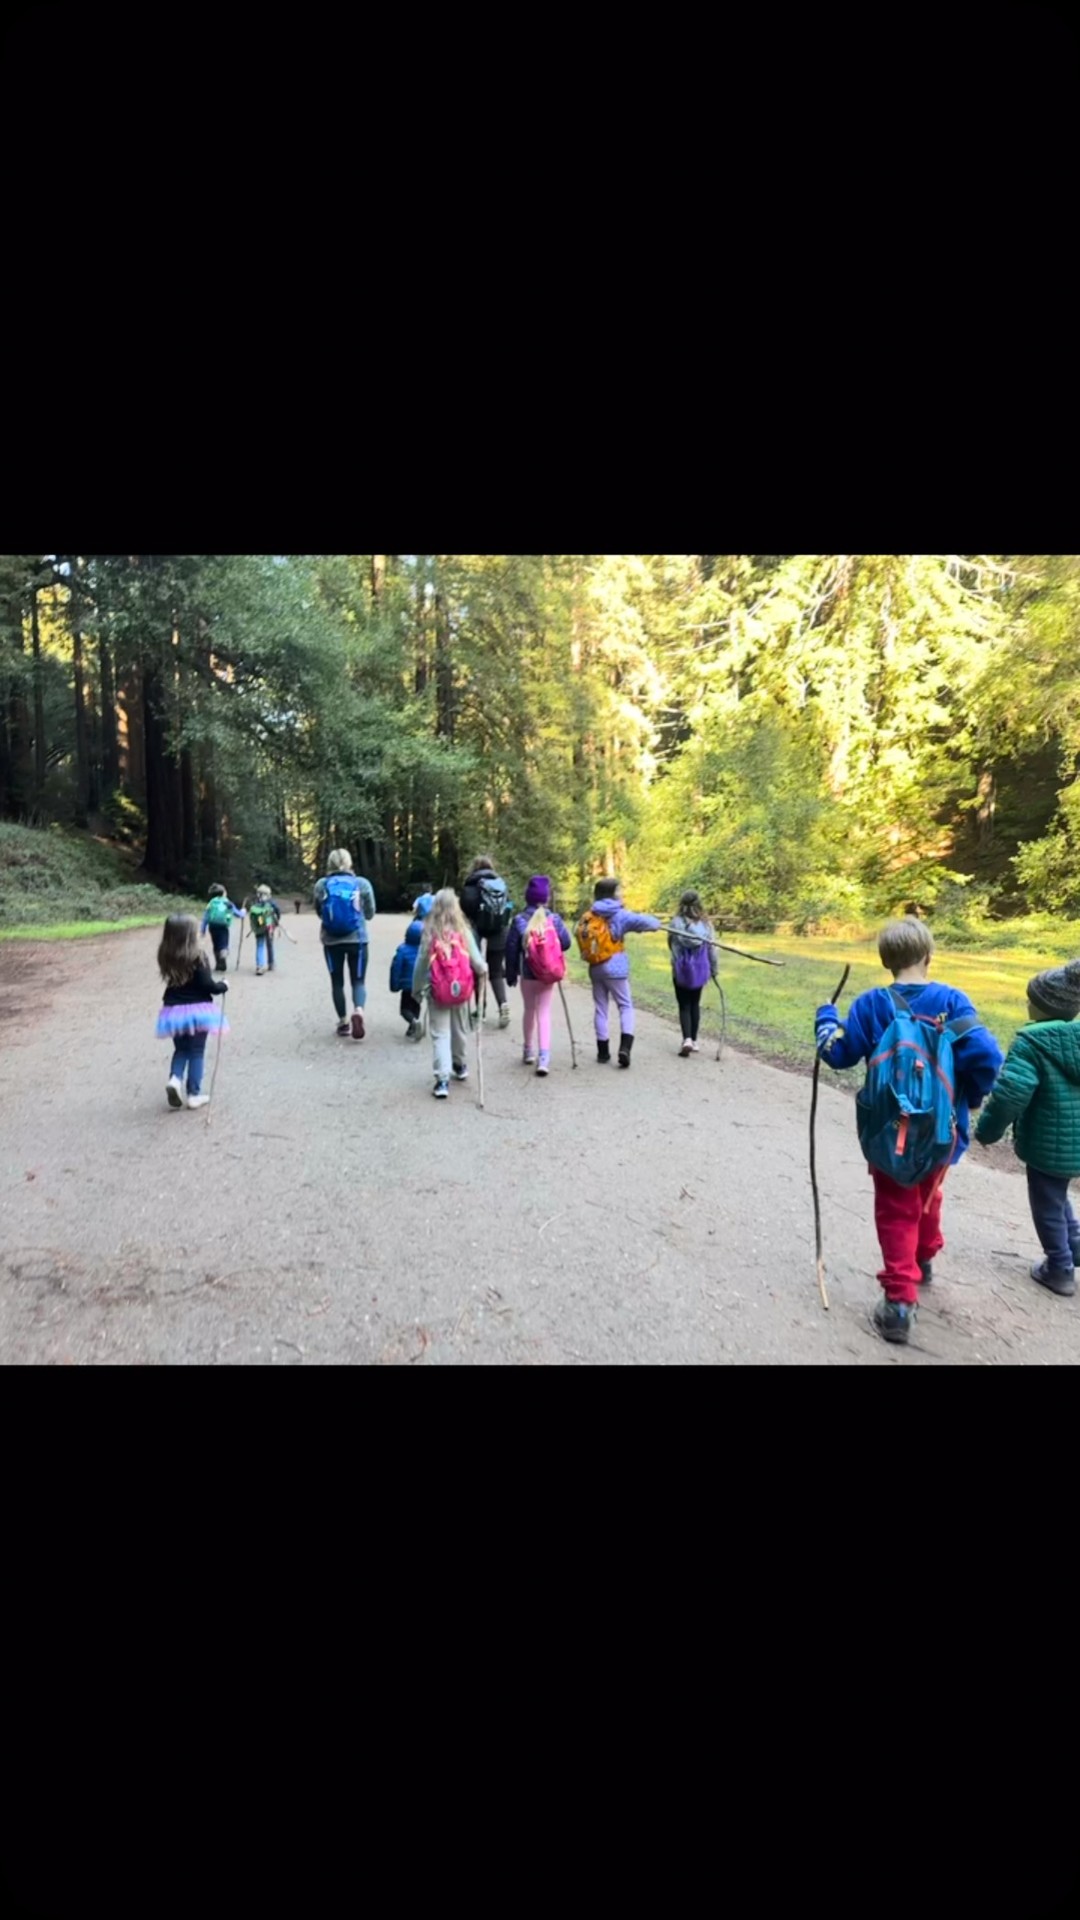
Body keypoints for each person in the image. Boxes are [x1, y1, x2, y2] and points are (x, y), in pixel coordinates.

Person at [815, 915, 1003, 1345]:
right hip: (943, 1130)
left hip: (889, 1131)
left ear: (886, 961)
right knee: (929, 1192)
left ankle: (900, 1301)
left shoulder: (871, 1004)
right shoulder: (953, 1001)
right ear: (928, 956)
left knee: (896, 1205)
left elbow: (838, 1053)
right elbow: (988, 1057)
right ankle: (924, 1256)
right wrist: (970, 1098)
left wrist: (826, 1018)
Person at [974, 958, 1080, 1299]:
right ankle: (1075, 1246)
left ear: (1044, 1007)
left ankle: (1059, 1268)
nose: (1027, 1004)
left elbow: (1009, 1096)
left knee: (1047, 1202)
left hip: (1048, 1145)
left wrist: (987, 1131)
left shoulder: (1031, 1044)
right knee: (1057, 1193)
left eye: (1030, 1000)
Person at [576, 879, 662, 1068]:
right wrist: (658, 922)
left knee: (601, 1008)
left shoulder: (590, 915)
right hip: (615, 967)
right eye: (619, 891)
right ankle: (625, 1048)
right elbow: (649, 923)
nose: (621, 894)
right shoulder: (620, 914)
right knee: (625, 1006)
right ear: (613, 894)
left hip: (596, 967)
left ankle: (603, 1051)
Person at [412, 889, 488, 1099]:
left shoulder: (429, 932)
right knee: (460, 1029)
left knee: (440, 1033)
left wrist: (417, 988)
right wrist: (483, 969)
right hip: (462, 988)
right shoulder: (463, 931)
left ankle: (442, 1079)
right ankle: (460, 1064)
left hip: (438, 990)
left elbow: (420, 964)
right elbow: (476, 960)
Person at [155, 913, 229, 1111]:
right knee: (197, 1051)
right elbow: (207, 985)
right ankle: (194, 1094)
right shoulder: (199, 956)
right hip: (198, 1011)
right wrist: (222, 986)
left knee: (181, 1049)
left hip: (174, 1010)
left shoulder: (165, 954)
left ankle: (175, 1079)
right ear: (190, 935)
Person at [505, 876, 573, 1076]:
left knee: (529, 1009)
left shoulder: (519, 920)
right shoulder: (554, 919)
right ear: (546, 898)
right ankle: (544, 1057)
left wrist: (510, 973)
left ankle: (528, 1050)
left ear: (528, 897)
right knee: (544, 1011)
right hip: (547, 973)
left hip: (527, 973)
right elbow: (567, 942)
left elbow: (511, 948)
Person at [313, 849, 376, 1039]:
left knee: (337, 982)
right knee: (358, 980)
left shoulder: (322, 885)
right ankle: (358, 1010)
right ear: (349, 863)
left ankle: (343, 1022)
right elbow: (370, 913)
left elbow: (319, 912)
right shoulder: (362, 884)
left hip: (331, 941)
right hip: (357, 940)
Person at [461, 854, 512, 1029]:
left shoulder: (470, 884)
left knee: (478, 968)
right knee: (496, 971)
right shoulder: (500, 884)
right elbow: (508, 907)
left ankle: (480, 1010)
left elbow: (464, 910)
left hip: (476, 928)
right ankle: (503, 1004)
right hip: (499, 928)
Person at [667, 889, 719, 1058]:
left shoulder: (675, 923)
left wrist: (675, 963)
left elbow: (671, 945)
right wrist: (714, 969)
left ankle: (687, 1039)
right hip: (700, 969)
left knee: (684, 1005)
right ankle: (694, 1041)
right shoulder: (705, 925)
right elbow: (712, 949)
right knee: (695, 1003)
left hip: (681, 970)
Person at [390, 895, 432, 1040]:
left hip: (407, 986)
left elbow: (396, 968)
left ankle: (413, 1022)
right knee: (416, 1005)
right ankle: (414, 1025)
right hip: (420, 985)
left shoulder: (402, 950)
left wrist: (394, 985)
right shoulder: (427, 950)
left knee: (404, 1009)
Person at [200, 885, 245, 974]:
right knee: (223, 943)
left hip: (212, 927)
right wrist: (243, 911)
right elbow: (238, 914)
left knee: (216, 945)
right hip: (223, 927)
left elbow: (205, 917)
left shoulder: (211, 903)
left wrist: (203, 930)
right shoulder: (227, 903)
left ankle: (218, 965)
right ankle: (223, 953)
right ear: (224, 893)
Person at [248, 885, 282, 976]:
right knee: (269, 944)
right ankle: (271, 963)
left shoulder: (255, 903)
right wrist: (277, 920)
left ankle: (259, 966)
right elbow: (278, 911)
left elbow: (251, 915)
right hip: (269, 925)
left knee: (260, 945)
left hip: (259, 926)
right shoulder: (271, 902)